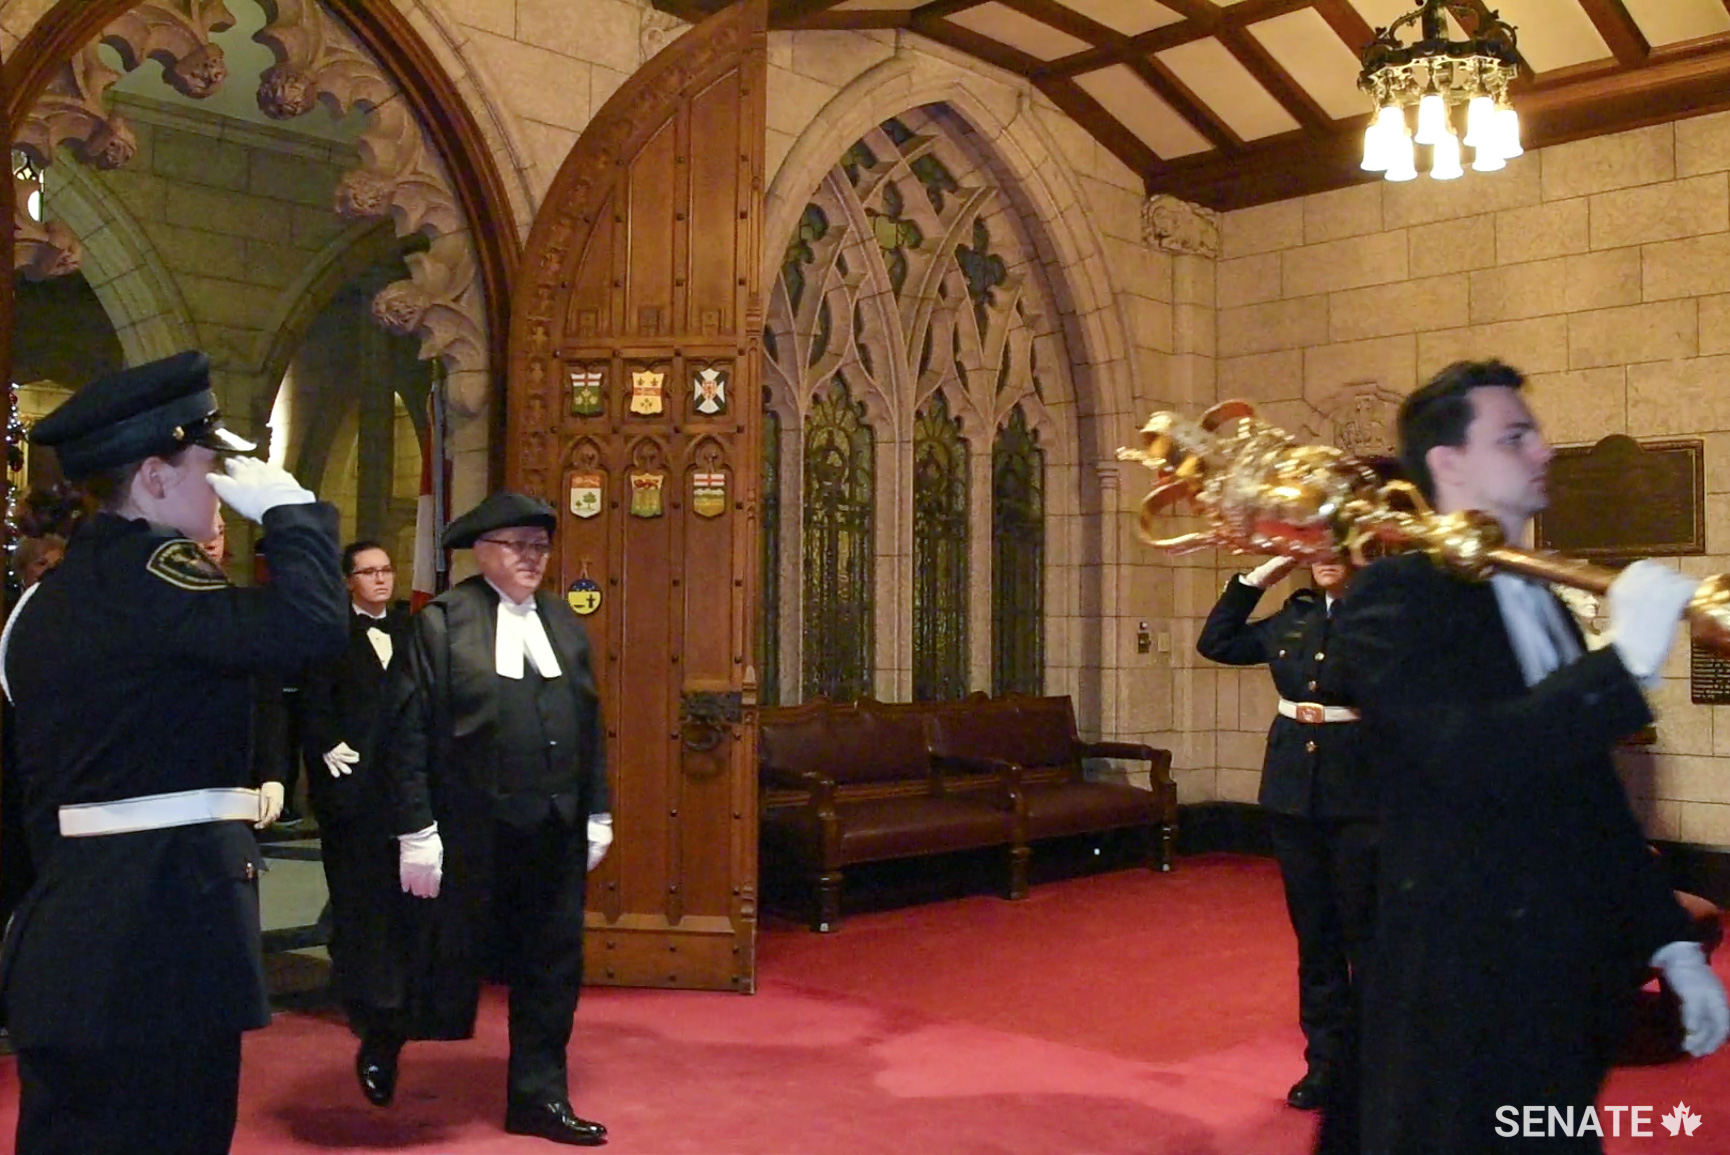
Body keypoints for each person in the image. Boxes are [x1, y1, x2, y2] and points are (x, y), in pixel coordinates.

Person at [1334, 359, 1730, 1153]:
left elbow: (1584, 794)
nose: (1543, 450)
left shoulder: (1541, 598)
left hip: (1558, 981)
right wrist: (1621, 665)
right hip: (1458, 984)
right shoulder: (1389, 599)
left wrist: (1670, 941)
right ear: (1447, 463)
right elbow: (1466, 759)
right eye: (1515, 436)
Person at [0, 350, 346, 1155]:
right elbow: (310, 628)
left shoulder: (47, 599)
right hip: (160, 941)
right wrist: (294, 516)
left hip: (72, 930)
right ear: (153, 478)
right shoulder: (155, 571)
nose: (220, 484)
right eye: (207, 465)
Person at [382, 492, 613, 1147]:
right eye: (519, 545)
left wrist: (598, 807)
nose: (533, 558)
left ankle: (539, 1097)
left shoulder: (565, 623)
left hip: (552, 824)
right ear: (482, 550)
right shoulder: (443, 622)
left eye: (541, 546)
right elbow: (408, 732)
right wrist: (416, 828)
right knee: (435, 952)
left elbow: (588, 723)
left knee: (551, 962)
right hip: (467, 828)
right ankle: (383, 1033)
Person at [1197, 555, 1375, 1115]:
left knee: (1365, 938)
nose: (1325, 558)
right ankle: (1324, 1064)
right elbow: (1217, 642)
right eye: (1313, 547)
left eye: (1336, 544)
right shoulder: (1291, 618)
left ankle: (1376, 1067)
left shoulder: (1386, 619)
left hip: (1361, 793)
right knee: (1315, 937)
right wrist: (1260, 575)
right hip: (1295, 793)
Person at [300, 539, 411, 1105]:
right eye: (369, 572)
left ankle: (394, 995)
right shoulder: (329, 637)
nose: (381, 580)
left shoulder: (412, 634)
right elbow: (310, 706)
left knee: (395, 900)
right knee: (355, 896)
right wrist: (327, 748)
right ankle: (358, 995)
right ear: (348, 582)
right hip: (350, 791)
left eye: (387, 570)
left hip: (401, 792)